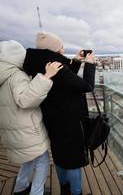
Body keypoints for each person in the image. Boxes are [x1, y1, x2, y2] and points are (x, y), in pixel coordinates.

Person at [23, 32, 96, 195]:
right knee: (73, 160)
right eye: (60, 46)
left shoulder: (40, 63)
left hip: (52, 118)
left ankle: (64, 189)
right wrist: (90, 64)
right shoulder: (57, 66)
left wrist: (76, 61)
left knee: (60, 155)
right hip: (69, 120)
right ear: (53, 49)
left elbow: (64, 80)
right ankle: (76, 192)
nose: (63, 49)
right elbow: (87, 86)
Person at [0, 40, 63, 195]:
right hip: (28, 129)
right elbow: (26, 100)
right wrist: (46, 76)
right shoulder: (16, 76)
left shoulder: (3, 74)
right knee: (42, 160)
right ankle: (36, 192)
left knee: (27, 159)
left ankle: (20, 189)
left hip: (13, 130)